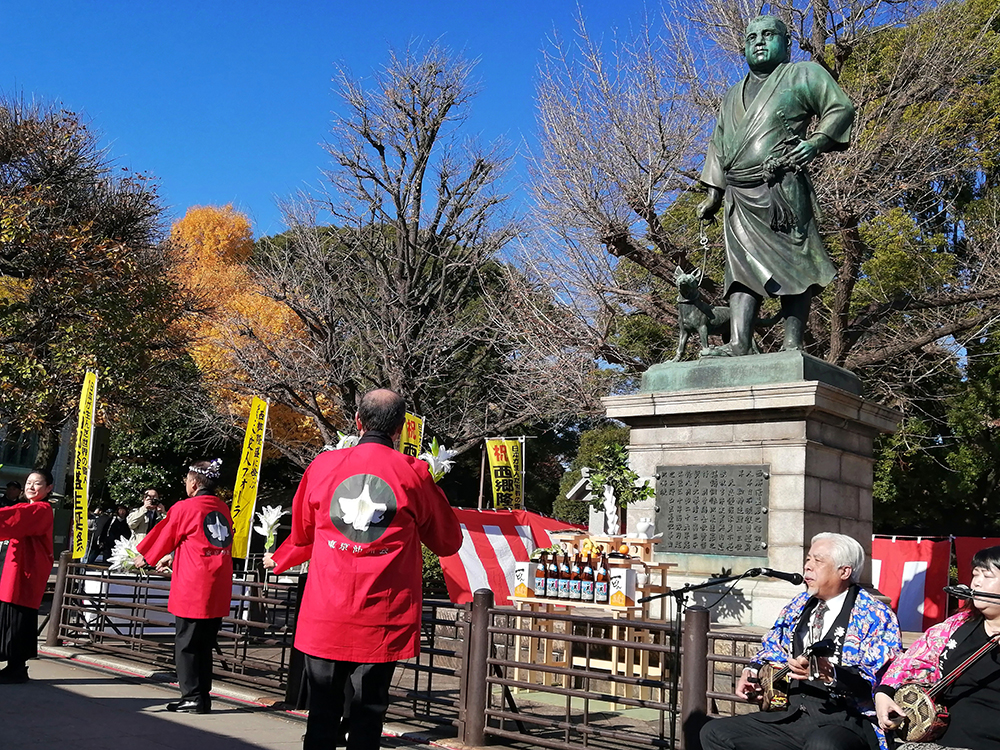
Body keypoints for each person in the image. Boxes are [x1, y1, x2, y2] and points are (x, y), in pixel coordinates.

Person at [264, 388, 462, 750]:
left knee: (321, 714)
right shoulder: (414, 473)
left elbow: (303, 533)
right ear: (399, 429)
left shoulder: (323, 466)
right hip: (382, 616)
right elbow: (448, 542)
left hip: (326, 612)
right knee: (368, 716)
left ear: (358, 421)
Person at [697, 14, 855, 355]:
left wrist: (816, 142)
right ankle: (739, 342)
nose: (759, 41)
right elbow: (718, 144)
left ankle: (792, 343)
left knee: (795, 263)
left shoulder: (803, 74)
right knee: (740, 269)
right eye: (752, 37)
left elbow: (840, 108)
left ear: (786, 43)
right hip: (739, 195)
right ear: (744, 47)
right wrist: (713, 192)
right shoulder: (732, 95)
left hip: (781, 188)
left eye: (768, 34)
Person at [700, 533, 902, 750]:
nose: (808, 567)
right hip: (794, 714)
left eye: (818, 561)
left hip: (848, 719)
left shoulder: (875, 614)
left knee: (822, 745)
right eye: (808, 559)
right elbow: (774, 645)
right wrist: (752, 670)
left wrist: (832, 674)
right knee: (714, 733)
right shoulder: (798, 604)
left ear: (844, 571)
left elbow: (884, 676)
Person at [875, 545, 1000, 750]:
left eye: (987, 576)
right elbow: (911, 662)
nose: (976, 582)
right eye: (975, 574)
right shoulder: (957, 625)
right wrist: (883, 693)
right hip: (945, 741)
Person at [135, 460, 233, 714]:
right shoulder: (223, 507)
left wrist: (147, 557)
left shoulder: (186, 507)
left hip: (194, 583)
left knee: (187, 643)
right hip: (218, 582)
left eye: (187, 481)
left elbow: (166, 534)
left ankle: (191, 696)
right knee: (205, 644)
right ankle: (202, 696)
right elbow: (201, 542)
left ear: (194, 483)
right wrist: (173, 556)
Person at [0, 469, 55, 683]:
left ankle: (17, 668)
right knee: (10, 614)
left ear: (49, 488)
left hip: (26, 571)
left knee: (18, 616)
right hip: (16, 568)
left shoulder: (42, 509)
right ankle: (14, 666)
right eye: (29, 482)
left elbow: (14, 518)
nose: (31, 486)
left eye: (37, 483)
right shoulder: (28, 507)